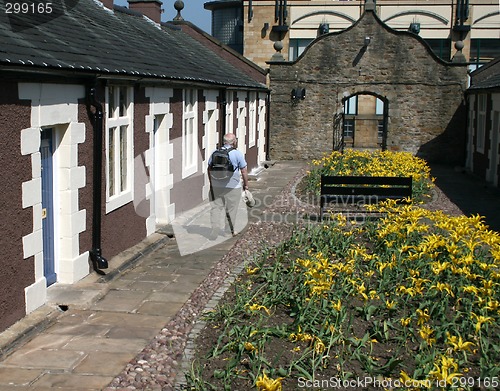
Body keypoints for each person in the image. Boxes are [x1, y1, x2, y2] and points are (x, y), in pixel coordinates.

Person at [207, 133, 249, 239]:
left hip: (216, 186)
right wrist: (246, 185)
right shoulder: (237, 154)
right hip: (233, 187)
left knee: (216, 208)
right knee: (231, 209)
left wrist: (211, 183)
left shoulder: (214, 153)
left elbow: (209, 168)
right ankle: (228, 231)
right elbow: (244, 171)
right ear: (234, 141)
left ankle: (214, 230)